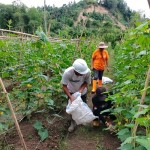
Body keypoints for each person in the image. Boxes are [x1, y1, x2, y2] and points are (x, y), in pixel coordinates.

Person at [61, 58, 91, 132]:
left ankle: (83, 120)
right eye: (80, 73)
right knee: (73, 108)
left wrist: (80, 91)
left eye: (82, 73)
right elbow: (64, 86)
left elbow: (86, 82)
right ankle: (73, 122)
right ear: (75, 70)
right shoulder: (68, 73)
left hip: (82, 92)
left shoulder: (87, 72)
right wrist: (71, 97)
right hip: (71, 92)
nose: (81, 75)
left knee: (83, 105)